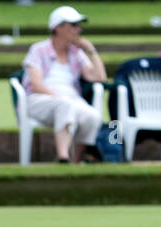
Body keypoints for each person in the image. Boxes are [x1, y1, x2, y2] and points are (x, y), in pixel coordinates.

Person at [23, 6, 107, 164]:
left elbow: (99, 77)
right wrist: (59, 98)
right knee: (65, 105)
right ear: (58, 27)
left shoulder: (76, 52)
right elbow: (36, 84)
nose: (79, 29)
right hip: (40, 98)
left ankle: (75, 161)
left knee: (92, 116)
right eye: (74, 25)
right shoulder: (38, 50)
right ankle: (63, 156)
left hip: (70, 98)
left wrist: (91, 50)